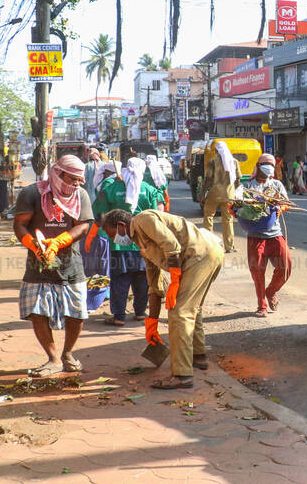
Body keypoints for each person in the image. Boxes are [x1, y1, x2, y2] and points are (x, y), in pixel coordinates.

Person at [101, 208, 223, 389]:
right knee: (192, 308)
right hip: (205, 255)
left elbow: (171, 244)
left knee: (179, 313)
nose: (114, 240)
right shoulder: (141, 244)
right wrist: (152, 324)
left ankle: (182, 376)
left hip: (201, 255)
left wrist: (175, 278)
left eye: (112, 235)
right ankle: (198, 357)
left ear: (120, 225)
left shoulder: (143, 220)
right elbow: (154, 286)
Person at [13, 155, 93, 377]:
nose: (76, 184)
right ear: (58, 173)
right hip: (37, 263)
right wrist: (33, 244)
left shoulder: (81, 195)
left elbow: (83, 226)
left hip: (70, 262)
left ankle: (68, 353)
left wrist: (58, 242)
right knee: (36, 311)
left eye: (79, 180)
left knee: (77, 312)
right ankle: (53, 358)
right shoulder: (32, 193)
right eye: (72, 178)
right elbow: (20, 224)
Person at [88, 157, 164, 326]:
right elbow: (155, 216)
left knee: (119, 280)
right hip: (143, 244)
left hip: (118, 244)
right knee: (143, 279)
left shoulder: (112, 188)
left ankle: (119, 316)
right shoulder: (148, 189)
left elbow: (98, 212)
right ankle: (140, 313)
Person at [238, 153, 291, 318]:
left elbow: (286, 203)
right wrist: (236, 210)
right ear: (258, 166)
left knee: (286, 266)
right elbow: (235, 204)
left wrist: (280, 208)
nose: (268, 167)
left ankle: (271, 291)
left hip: (275, 234)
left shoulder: (276, 185)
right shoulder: (247, 186)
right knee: (257, 271)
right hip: (255, 235)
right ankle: (262, 305)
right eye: (265, 164)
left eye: (271, 165)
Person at [202, 140, 241, 253]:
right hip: (229, 195)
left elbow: (208, 179)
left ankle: (209, 245)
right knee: (228, 219)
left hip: (214, 193)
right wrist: (237, 193)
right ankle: (229, 246)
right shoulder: (234, 162)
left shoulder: (212, 161)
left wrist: (203, 194)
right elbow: (238, 180)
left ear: (216, 151)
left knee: (208, 216)